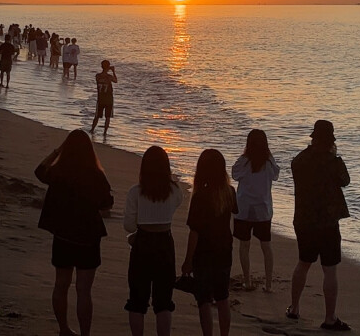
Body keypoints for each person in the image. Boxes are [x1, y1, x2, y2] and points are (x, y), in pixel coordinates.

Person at [35, 129, 113, 336]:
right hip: (88, 239)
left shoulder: (58, 172)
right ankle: (85, 333)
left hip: (63, 237)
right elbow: (107, 203)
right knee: (83, 290)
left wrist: (56, 151)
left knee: (61, 285)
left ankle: (64, 329)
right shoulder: (96, 175)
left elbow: (39, 170)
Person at [287, 120, 351, 331]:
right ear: (330, 140)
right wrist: (333, 156)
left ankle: (294, 308)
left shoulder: (300, 160)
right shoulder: (332, 162)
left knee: (303, 263)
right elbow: (345, 180)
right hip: (327, 222)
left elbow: (295, 166)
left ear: (313, 138)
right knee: (329, 270)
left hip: (304, 220)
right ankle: (330, 317)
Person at [124, 145, 183, 336]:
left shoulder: (135, 192)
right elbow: (176, 205)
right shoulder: (174, 191)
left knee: (137, 300)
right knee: (164, 301)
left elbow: (129, 226)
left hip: (142, 243)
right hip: (165, 243)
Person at [182, 149, 238, 336]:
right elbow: (234, 213)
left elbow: (194, 232)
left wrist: (188, 260)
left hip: (204, 253)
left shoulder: (200, 196)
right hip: (224, 250)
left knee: (204, 300)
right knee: (223, 298)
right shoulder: (229, 192)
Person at [232, 129, 280, 292]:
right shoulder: (268, 162)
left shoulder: (244, 161)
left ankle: (247, 280)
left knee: (244, 246)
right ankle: (268, 284)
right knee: (266, 247)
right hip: (262, 209)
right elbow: (276, 175)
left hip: (244, 208)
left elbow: (234, 175)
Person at [90, 60, 117, 135]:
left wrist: (107, 69)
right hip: (109, 99)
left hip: (100, 99)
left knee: (97, 116)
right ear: (108, 67)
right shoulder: (109, 77)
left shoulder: (98, 76)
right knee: (107, 117)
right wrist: (113, 71)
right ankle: (105, 132)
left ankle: (92, 129)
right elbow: (116, 80)